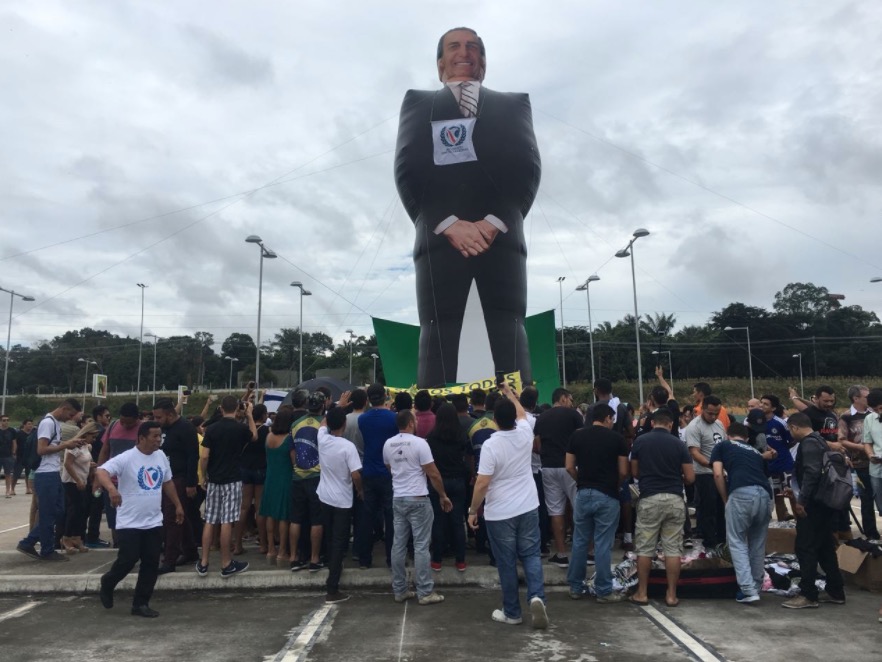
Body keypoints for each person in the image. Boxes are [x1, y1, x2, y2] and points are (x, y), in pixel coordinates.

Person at [394, 27, 541, 387]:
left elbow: (526, 168)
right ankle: (435, 411)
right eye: (455, 46)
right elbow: (409, 169)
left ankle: (518, 413)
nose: (465, 52)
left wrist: (494, 221)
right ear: (441, 62)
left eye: (473, 47)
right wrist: (446, 224)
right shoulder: (418, 102)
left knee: (509, 334)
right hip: (439, 245)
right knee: (437, 337)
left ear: (484, 62)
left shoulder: (514, 104)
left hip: (502, 242)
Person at [468, 383, 548, 629]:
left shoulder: (492, 443)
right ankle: (536, 596)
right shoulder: (525, 433)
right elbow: (523, 414)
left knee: (506, 562)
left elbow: (482, 483)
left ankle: (512, 612)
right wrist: (510, 393)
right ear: (513, 417)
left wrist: (472, 510)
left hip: (499, 512)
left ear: (494, 420)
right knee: (531, 555)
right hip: (527, 505)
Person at [95, 421, 185, 618]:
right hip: (129, 521)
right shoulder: (127, 458)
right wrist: (112, 490)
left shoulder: (161, 456)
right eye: (154, 436)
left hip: (153, 521)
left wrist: (177, 504)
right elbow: (101, 471)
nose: (158, 440)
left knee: (151, 564)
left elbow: (167, 481)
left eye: (160, 436)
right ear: (141, 438)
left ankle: (141, 603)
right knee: (128, 560)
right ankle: (108, 581)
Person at [629, 409, 695, 607]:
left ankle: (642, 593)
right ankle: (672, 595)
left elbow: (635, 472)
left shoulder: (640, 441)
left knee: (645, 548)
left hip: (649, 498)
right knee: (673, 549)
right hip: (675, 499)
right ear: (670, 425)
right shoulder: (679, 444)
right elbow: (690, 478)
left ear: (652, 424)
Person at [384, 410, 450, 605]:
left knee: (399, 544)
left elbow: (390, 468)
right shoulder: (421, 443)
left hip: (399, 498)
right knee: (421, 546)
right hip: (418, 498)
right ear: (411, 423)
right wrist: (443, 495)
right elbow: (434, 474)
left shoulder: (388, 444)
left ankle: (400, 589)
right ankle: (425, 591)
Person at [565, 403, 629, 602]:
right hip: (607, 495)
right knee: (602, 543)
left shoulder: (577, 436)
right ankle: (603, 591)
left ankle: (576, 587)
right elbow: (624, 471)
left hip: (583, 493)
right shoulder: (617, 439)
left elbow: (569, 466)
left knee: (580, 541)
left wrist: (581, 481)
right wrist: (615, 485)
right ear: (608, 418)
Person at [782, 412, 846, 609]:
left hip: (813, 504)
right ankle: (835, 590)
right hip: (825, 502)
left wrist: (801, 501)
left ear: (794, 427)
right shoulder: (820, 440)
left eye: (790, 430)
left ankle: (808, 594)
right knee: (825, 547)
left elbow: (811, 473)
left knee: (806, 547)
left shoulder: (808, 444)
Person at [711, 422, 777, 604]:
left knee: (737, 541)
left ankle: (747, 590)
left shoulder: (722, 445)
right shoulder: (754, 451)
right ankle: (756, 586)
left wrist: (726, 499)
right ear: (747, 438)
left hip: (741, 493)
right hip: (765, 495)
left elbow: (717, 474)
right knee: (757, 542)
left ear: (727, 435)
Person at [17, 398, 87, 561]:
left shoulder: (54, 423)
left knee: (58, 510)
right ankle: (46, 549)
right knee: (49, 513)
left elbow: (52, 443)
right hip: (45, 473)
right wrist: (66, 445)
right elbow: (41, 449)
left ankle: (29, 542)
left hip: (52, 472)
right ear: (63, 408)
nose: (70, 418)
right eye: (70, 414)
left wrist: (69, 443)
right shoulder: (48, 423)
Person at [196, 396, 254, 578]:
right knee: (227, 520)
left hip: (214, 479)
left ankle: (204, 562)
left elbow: (204, 456)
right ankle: (226, 562)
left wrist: (204, 476)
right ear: (237, 408)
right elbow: (255, 436)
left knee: (210, 520)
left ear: (221, 409)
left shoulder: (212, 429)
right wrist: (250, 415)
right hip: (233, 479)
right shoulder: (240, 428)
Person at [789, 385, 850, 539]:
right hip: (819, 463)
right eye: (826, 401)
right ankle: (831, 539)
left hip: (834, 462)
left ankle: (843, 534)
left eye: (832, 400)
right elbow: (810, 436)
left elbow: (835, 437)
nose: (829, 404)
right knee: (826, 503)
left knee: (840, 500)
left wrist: (843, 453)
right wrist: (831, 445)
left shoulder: (831, 414)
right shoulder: (808, 414)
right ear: (815, 399)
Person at [316, 406, 363, 604]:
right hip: (343, 500)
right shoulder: (347, 447)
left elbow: (322, 424)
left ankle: (331, 567)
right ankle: (332, 587)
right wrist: (360, 490)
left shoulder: (322, 439)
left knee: (329, 537)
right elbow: (355, 475)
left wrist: (337, 408)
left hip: (324, 496)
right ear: (344, 424)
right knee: (339, 541)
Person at [534, 387, 583, 567]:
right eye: (570, 399)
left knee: (556, 511)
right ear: (562, 398)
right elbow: (581, 439)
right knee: (580, 508)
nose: (571, 402)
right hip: (571, 466)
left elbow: (537, 445)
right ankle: (587, 551)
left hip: (548, 467)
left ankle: (561, 554)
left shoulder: (542, 418)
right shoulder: (574, 416)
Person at [152, 398, 200, 572]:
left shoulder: (185, 428)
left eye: (159, 417)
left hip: (178, 478)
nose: (156, 421)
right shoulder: (162, 429)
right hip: (163, 477)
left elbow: (193, 456)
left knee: (172, 517)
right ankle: (190, 551)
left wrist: (191, 483)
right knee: (179, 516)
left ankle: (169, 559)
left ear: (170, 414)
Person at [357, 384, 398, 569]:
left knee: (367, 516)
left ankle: (365, 558)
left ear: (368, 398)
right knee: (391, 517)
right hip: (389, 472)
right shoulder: (393, 418)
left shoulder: (363, 419)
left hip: (369, 471)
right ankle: (391, 558)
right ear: (384, 396)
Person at [426, 402, 471, 571]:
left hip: (438, 482)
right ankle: (460, 561)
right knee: (457, 521)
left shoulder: (432, 437)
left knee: (438, 521)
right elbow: (466, 458)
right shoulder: (461, 435)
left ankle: (437, 560)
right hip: (458, 481)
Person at [288, 392, 326, 572]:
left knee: (296, 519)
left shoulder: (296, 424)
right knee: (316, 520)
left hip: (298, 476)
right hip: (317, 477)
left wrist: (297, 466)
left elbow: (292, 450)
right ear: (322, 405)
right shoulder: (324, 425)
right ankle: (314, 558)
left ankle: (294, 558)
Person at [684, 395, 726, 550]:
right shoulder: (694, 427)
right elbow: (694, 453)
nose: (713, 416)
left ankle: (723, 539)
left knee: (722, 508)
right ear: (702, 409)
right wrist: (712, 465)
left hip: (721, 472)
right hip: (704, 474)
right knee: (708, 509)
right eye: (710, 413)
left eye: (716, 413)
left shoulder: (720, 424)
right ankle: (710, 542)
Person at [838, 385, 879, 540]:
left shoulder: (874, 414)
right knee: (867, 499)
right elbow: (841, 440)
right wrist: (863, 448)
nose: (869, 399)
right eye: (866, 396)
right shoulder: (847, 417)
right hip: (860, 464)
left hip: (877, 462)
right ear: (856, 398)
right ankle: (871, 533)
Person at [259, 406, 295, 566]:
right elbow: (294, 462)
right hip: (285, 479)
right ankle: (282, 552)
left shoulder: (268, 436)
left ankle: (270, 549)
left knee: (270, 514)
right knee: (283, 516)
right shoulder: (289, 439)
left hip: (270, 478)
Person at [234, 402, 268, 555]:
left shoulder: (243, 429)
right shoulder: (267, 431)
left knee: (244, 507)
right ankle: (263, 544)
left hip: (244, 468)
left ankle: (238, 544)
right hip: (261, 468)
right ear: (264, 415)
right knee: (260, 507)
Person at [61, 422, 99, 553]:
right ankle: (66, 538)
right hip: (72, 481)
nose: (93, 440)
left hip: (82, 480)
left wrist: (90, 466)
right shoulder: (75, 446)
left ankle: (77, 537)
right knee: (74, 510)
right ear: (86, 434)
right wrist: (77, 479)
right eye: (92, 437)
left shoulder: (86, 447)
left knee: (82, 510)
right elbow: (68, 463)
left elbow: (83, 461)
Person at [760, 394, 796, 521]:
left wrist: (782, 449)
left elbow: (792, 439)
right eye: (761, 403)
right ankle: (782, 521)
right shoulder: (757, 423)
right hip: (769, 466)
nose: (762, 405)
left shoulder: (780, 423)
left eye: (766, 404)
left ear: (773, 408)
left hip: (785, 464)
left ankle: (799, 522)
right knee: (777, 495)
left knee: (792, 494)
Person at [12, 418, 33, 496]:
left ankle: (28, 488)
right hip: (19, 457)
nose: (30, 426)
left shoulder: (32, 434)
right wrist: (14, 453)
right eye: (29, 424)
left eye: (31, 424)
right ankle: (12, 489)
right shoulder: (19, 434)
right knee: (16, 474)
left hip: (29, 457)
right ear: (24, 425)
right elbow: (14, 444)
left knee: (28, 474)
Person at [0, 414, 17, 498]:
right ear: (0, 421)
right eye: (4, 420)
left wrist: (14, 453)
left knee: (8, 474)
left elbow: (14, 442)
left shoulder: (12, 431)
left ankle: (7, 491)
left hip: (8, 455)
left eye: (7, 420)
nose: (6, 422)